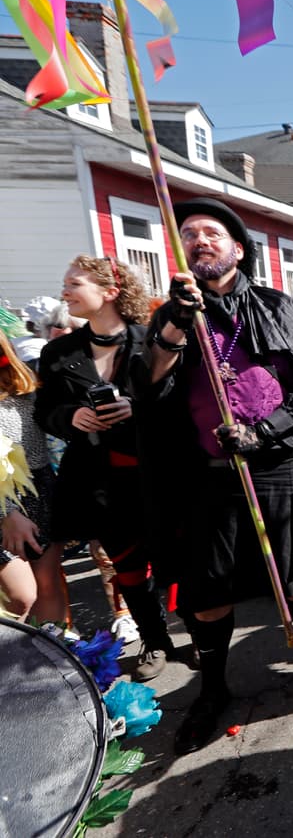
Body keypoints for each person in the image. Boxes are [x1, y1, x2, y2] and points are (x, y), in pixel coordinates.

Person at [148, 197, 293, 755]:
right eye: (188, 234)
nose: (200, 240)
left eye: (212, 233)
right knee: (206, 588)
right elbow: (152, 386)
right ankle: (212, 689)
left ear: (238, 249)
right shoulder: (169, 317)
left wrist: (262, 433)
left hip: (277, 466)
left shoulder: (278, 306)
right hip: (206, 477)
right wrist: (175, 325)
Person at [35, 255, 175, 673]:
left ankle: (206, 637)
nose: (65, 291)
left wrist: (138, 409)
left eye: (74, 283)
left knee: (176, 558)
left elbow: (179, 401)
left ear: (110, 292)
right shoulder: (58, 351)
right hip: (100, 482)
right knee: (127, 565)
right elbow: (45, 411)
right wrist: (70, 418)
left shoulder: (152, 340)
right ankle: (156, 639)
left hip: (158, 474)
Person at [0, 332, 45, 619]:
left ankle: (46, 659)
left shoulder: (23, 385)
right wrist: (7, 513)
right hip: (5, 507)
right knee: (22, 595)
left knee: (46, 586)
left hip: (37, 493)